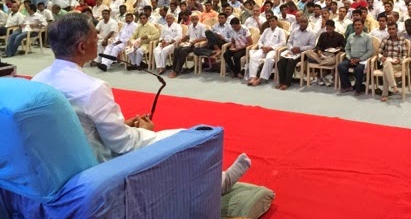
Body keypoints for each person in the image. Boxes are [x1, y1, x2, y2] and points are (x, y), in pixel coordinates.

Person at [32, 14, 251, 195]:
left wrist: (125, 124)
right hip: (95, 164)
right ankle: (219, 183)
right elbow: (123, 144)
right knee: (185, 139)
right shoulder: (92, 87)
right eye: (95, 36)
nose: (98, 40)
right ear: (82, 47)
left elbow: (78, 125)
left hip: (61, 160)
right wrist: (143, 131)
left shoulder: (38, 80)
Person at [276, 16, 315, 90]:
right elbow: (289, 42)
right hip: (292, 51)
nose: (303, 24)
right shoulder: (294, 31)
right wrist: (291, 48)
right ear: (299, 23)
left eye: (304, 22)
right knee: (281, 61)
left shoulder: (311, 33)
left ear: (307, 23)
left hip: (303, 53)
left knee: (291, 62)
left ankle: (287, 83)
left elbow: (312, 46)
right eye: (301, 22)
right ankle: (281, 81)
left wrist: (300, 49)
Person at [246, 16, 286, 86]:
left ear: (277, 22)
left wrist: (271, 48)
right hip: (264, 49)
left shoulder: (280, 31)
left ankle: (261, 78)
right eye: (270, 21)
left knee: (269, 58)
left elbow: (283, 43)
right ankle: (253, 77)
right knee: (254, 56)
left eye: (273, 21)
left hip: (274, 50)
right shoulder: (266, 30)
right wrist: (262, 46)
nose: (271, 23)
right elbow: (260, 41)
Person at [304, 19, 345, 86]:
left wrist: (339, 48)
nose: (328, 31)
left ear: (334, 28)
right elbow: (317, 46)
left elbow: (344, 47)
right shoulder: (323, 35)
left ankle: (321, 69)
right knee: (308, 52)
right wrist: (319, 51)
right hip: (322, 55)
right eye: (327, 29)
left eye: (330, 29)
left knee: (332, 60)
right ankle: (322, 64)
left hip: (332, 55)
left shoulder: (339, 36)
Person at [337, 18, 373, 95]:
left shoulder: (368, 37)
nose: (357, 26)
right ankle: (347, 86)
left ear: (363, 26)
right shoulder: (350, 36)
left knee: (359, 69)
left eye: (359, 25)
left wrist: (359, 60)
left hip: (362, 60)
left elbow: (370, 51)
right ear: (353, 27)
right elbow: (347, 49)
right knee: (340, 66)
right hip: (351, 59)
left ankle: (358, 89)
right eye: (355, 25)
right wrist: (350, 58)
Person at [169, 14, 207, 78]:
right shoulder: (190, 26)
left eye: (196, 19)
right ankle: (174, 69)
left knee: (183, 51)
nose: (194, 20)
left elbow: (205, 38)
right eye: (193, 19)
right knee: (177, 49)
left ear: (198, 19)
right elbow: (187, 36)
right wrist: (180, 41)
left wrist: (196, 41)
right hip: (189, 43)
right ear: (191, 20)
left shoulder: (202, 26)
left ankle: (177, 71)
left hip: (197, 45)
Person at [377, 22, 408, 102]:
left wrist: (399, 60)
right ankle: (394, 86)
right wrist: (381, 57)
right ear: (387, 30)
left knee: (386, 70)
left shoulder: (402, 40)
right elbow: (379, 53)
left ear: (397, 30)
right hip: (388, 61)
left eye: (393, 29)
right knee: (387, 63)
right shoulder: (385, 40)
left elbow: (405, 55)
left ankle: (385, 94)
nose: (391, 31)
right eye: (390, 29)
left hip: (398, 64)